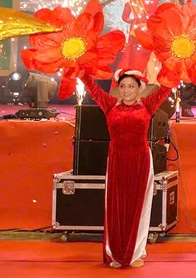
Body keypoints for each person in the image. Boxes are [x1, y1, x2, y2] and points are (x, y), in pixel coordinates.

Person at [79, 69, 172, 269]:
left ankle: (135, 251)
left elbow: (167, 87)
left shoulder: (148, 104)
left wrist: (178, 65)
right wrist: (79, 68)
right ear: (117, 88)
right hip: (116, 162)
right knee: (116, 207)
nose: (126, 90)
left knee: (139, 207)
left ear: (140, 88)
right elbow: (92, 87)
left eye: (131, 86)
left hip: (141, 161)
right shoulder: (109, 104)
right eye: (122, 86)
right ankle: (117, 252)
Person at [166, 0, 196, 117]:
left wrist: (182, 6)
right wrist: (172, 8)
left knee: (188, 72)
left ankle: (187, 105)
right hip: (170, 38)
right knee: (169, 71)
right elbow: (161, 15)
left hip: (188, 38)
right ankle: (167, 105)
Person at [120, 0, 159, 74]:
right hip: (137, 35)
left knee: (152, 60)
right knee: (136, 60)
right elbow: (124, 17)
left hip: (151, 32)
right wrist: (136, 21)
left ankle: (150, 85)